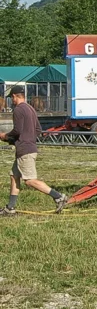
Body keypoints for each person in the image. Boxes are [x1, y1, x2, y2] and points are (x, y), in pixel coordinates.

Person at [0, 85, 68, 215]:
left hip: (25, 150)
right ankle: (10, 208)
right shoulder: (31, 109)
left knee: (30, 181)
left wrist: (5, 136)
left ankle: (58, 196)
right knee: (14, 176)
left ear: (14, 96)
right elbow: (38, 130)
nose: (12, 100)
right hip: (29, 147)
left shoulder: (18, 110)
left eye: (12, 98)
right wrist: (26, 138)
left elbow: (17, 131)